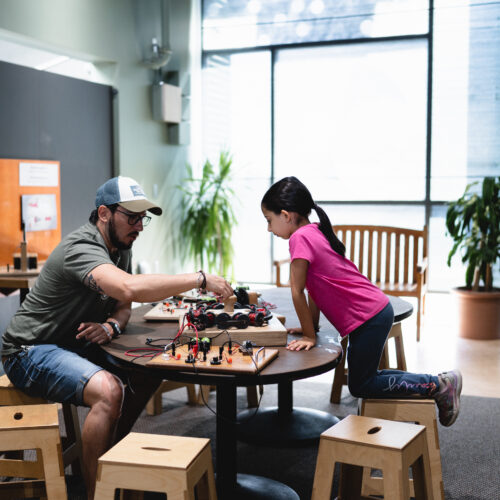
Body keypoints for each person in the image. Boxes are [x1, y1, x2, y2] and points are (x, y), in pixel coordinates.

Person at [1, 176, 233, 500]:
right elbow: (128, 288)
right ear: (104, 213)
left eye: (142, 219)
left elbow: (123, 304)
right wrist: (200, 278)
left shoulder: (120, 248)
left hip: (71, 344)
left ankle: (110, 460)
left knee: (151, 366)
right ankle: (98, 494)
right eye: (132, 217)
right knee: (108, 391)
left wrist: (111, 326)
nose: (139, 226)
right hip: (29, 350)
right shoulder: (81, 247)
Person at [261, 176, 462, 427]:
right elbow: (314, 289)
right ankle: (438, 382)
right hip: (373, 313)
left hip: (368, 317)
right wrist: (310, 326)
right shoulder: (314, 230)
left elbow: (297, 291)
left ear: (285, 215)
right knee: (367, 378)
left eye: (269, 220)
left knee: (361, 384)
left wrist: (310, 336)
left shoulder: (299, 238)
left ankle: (438, 385)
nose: (269, 229)